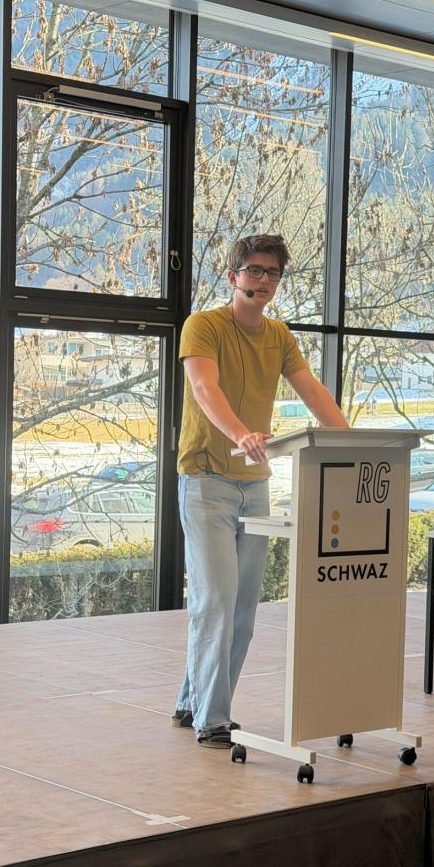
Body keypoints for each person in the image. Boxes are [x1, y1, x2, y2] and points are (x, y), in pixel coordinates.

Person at [173, 234, 347, 747]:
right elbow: (204, 388)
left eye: (272, 273)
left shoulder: (279, 335)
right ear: (233, 276)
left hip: (255, 484)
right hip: (206, 479)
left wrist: (350, 441)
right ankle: (213, 719)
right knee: (216, 601)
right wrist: (240, 434)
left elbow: (311, 390)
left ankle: (192, 701)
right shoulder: (203, 325)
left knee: (243, 612)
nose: (264, 280)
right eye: (254, 270)